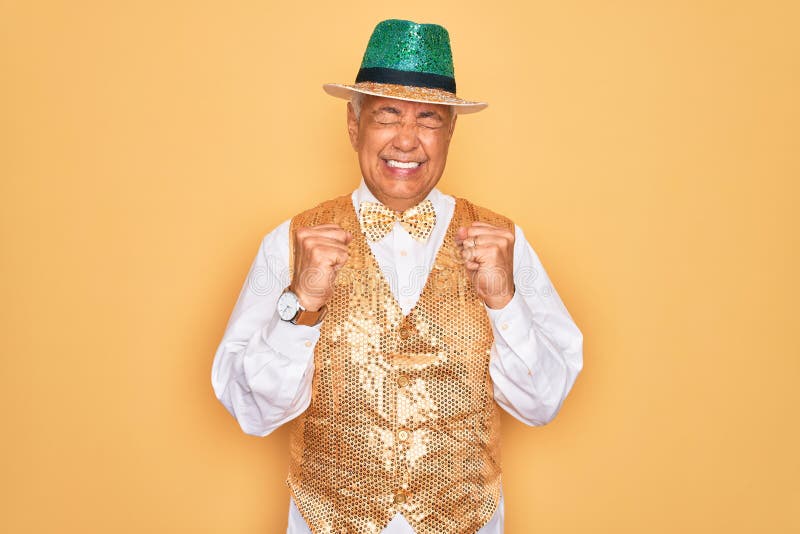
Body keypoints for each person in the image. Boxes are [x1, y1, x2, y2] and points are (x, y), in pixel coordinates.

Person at [212, 19, 583, 534]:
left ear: (450, 132)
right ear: (353, 124)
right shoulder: (291, 240)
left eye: (428, 119)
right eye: (387, 114)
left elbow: (542, 404)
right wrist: (302, 303)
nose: (406, 141)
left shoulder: (504, 240)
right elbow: (253, 414)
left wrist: (504, 299)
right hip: (327, 522)